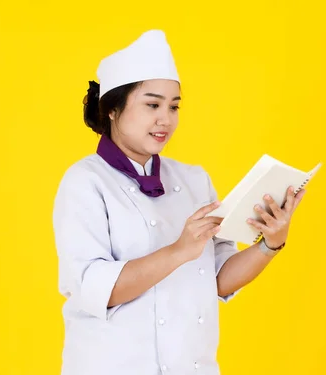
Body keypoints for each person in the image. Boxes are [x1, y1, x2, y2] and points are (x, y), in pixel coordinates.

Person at [52, 30, 306, 375]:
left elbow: (215, 279)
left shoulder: (193, 179)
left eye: (174, 107)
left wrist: (270, 244)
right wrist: (180, 250)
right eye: (152, 105)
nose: (165, 119)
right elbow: (95, 289)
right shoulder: (85, 182)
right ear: (112, 109)